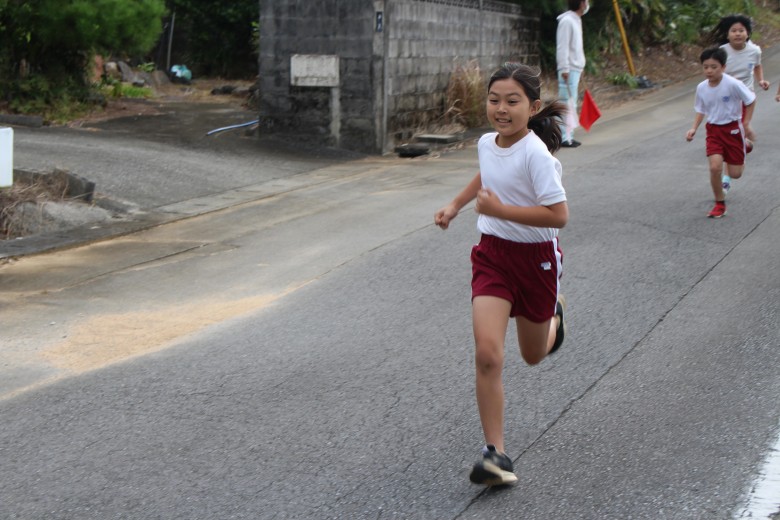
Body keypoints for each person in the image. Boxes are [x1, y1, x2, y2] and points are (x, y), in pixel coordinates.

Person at [434, 63, 569, 486]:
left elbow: (558, 215)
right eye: (494, 100)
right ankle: (496, 454)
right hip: (492, 255)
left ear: (532, 107)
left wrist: (499, 210)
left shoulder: (537, 156)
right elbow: (486, 172)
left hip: (537, 261)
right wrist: (456, 205)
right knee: (488, 353)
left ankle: (554, 323)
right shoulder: (487, 142)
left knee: (532, 355)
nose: (501, 109)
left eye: (512, 102)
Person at [686, 47, 755, 219]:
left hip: (733, 129)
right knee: (715, 167)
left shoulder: (733, 84)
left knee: (735, 174)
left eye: (714, 67)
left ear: (723, 67)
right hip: (714, 130)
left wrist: (746, 123)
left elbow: (751, 100)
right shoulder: (701, 87)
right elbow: (701, 109)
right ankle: (719, 204)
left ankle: (745, 145)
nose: (709, 71)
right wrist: (694, 128)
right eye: (706, 67)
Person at [708, 14, 768, 193]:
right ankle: (743, 144)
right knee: (730, 135)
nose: (737, 34)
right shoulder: (722, 51)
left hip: (745, 97)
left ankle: (726, 178)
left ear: (748, 33)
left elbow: (757, 66)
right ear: (727, 34)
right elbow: (715, 71)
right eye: (733, 31)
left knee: (734, 134)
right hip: (726, 97)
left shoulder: (754, 51)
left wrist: (761, 80)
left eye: (741, 30)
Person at [556, 0, 589, 148]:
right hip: (568, 70)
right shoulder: (567, 21)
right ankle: (564, 137)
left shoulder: (575, 20)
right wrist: (564, 69)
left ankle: (568, 136)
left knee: (571, 104)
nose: (587, 4)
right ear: (581, 3)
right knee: (567, 103)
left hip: (574, 69)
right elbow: (562, 47)